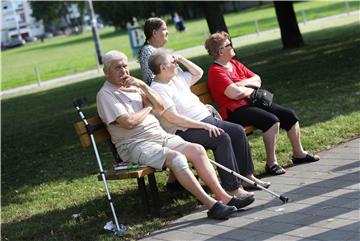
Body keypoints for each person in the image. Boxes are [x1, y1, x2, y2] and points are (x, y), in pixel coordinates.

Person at [96, 50, 255, 220]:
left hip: (159, 136)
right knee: (177, 158)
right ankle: (212, 205)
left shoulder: (135, 86)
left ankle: (225, 197)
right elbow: (129, 122)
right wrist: (148, 107)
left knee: (197, 149)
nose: (123, 71)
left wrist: (143, 86)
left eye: (125, 66)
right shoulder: (106, 95)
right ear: (106, 71)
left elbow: (159, 106)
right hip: (135, 144)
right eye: (117, 68)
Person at [148, 48, 271, 195]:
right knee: (221, 138)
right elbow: (173, 118)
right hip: (185, 129)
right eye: (173, 62)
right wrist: (203, 125)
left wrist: (181, 59)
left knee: (237, 131)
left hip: (205, 120)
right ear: (163, 67)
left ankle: (246, 176)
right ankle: (233, 189)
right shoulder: (158, 89)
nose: (176, 64)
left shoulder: (176, 78)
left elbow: (198, 73)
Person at [204, 32, 320, 176]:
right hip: (235, 111)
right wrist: (247, 87)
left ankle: (299, 153)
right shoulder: (216, 72)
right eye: (229, 45)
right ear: (220, 51)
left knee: (289, 115)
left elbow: (257, 79)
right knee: (271, 121)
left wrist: (242, 84)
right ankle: (271, 164)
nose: (232, 46)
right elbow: (234, 94)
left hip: (252, 102)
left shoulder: (234, 64)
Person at [138, 17, 170, 85]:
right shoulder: (147, 51)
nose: (167, 32)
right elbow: (151, 80)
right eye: (164, 29)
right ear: (154, 33)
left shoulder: (159, 50)